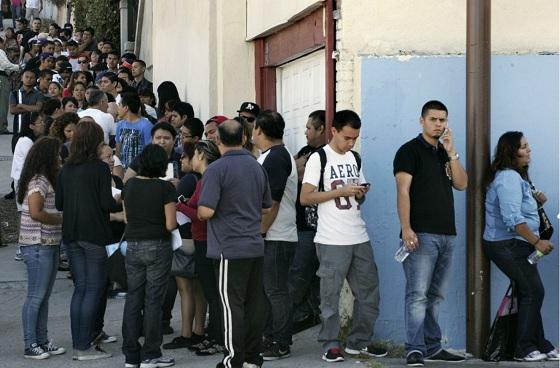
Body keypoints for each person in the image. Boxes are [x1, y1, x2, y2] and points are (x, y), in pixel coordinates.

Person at [300, 110, 387, 363]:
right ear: (334, 131)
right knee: (330, 295)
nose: (351, 143)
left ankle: (359, 342)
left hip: (358, 234)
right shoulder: (319, 158)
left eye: (355, 138)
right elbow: (306, 197)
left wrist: (359, 193)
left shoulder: (355, 158)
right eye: (347, 137)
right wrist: (339, 193)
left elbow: (357, 194)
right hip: (330, 239)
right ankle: (331, 343)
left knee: (369, 292)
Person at [393, 100, 468, 366]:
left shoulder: (443, 153)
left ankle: (433, 347)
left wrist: (452, 152)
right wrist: (406, 228)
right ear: (422, 120)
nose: (439, 124)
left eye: (443, 120)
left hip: (447, 234)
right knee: (418, 294)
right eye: (434, 119)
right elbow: (402, 191)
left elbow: (461, 184)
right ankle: (414, 348)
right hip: (420, 235)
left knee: (436, 295)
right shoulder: (409, 151)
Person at [198, 119, 272, 368]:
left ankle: (233, 360)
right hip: (254, 245)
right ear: (243, 139)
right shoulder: (256, 167)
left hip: (228, 248)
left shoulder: (216, 170)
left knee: (231, 307)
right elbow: (266, 206)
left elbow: (206, 211)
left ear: (217, 140)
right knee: (253, 306)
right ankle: (253, 357)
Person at [483, 131, 559, 362]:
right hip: (505, 243)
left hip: (517, 244)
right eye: (524, 147)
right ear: (511, 151)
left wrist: (537, 202)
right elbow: (512, 218)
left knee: (530, 291)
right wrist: (537, 241)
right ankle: (523, 348)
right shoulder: (508, 178)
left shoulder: (518, 177)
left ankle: (540, 343)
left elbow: (519, 208)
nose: (529, 150)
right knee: (534, 291)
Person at [55, 119, 114, 361]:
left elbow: (59, 204)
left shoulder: (66, 169)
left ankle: (80, 341)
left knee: (80, 288)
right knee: (94, 288)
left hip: (71, 234)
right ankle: (85, 345)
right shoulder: (99, 169)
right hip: (94, 234)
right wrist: (120, 201)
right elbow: (106, 203)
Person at [121, 143, 177, 368]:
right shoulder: (165, 189)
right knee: (153, 300)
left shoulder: (129, 185)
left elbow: (126, 219)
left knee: (133, 298)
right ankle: (151, 353)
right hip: (158, 245)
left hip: (133, 244)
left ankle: (131, 356)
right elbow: (171, 223)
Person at [252, 111, 298, 361]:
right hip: (271, 234)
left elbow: (273, 203)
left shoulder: (276, 157)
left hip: (277, 235)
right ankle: (269, 337)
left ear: (259, 129)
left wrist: (260, 231)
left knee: (276, 290)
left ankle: (280, 342)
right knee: (268, 290)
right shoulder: (270, 156)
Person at [17, 136, 65, 360]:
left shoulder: (44, 179)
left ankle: (42, 341)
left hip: (48, 244)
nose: (59, 158)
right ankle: (31, 344)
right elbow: (37, 212)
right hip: (37, 244)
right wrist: (60, 220)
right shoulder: (38, 182)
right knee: (36, 296)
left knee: (43, 297)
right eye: (56, 154)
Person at [175, 140, 223, 356]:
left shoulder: (208, 179)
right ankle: (213, 336)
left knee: (213, 294)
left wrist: (179, 205)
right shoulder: (205, 179)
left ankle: (218, 338)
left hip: (206, 240)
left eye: (192, 155)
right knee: (209, 290)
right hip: (202, 240)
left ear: (201, 155)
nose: (189, 159)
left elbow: (202, 215)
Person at [162, 142, 207, 351]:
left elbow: (180, 208)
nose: (181, 161)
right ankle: (199, 330)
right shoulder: (204, 179)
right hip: (200, 239)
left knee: (185, 289)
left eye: (184, 157)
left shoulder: (189, 179)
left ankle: (187, 333)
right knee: (199, 289)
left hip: (185, 238)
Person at [289, 110, 325, 333]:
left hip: (312, 228)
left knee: (299, 274)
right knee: (301, 272)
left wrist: (300, 167)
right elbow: (291, 172)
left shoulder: (324, 155)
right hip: (297, 224)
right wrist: (296, 165)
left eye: (309, 128)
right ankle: (305, 314)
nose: (305, 132)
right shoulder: (304, 152)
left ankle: (289, 320)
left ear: (321, 129)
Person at [115, 92, 153, 169]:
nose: (117, 108)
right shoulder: (120, 125)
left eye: (119, 105)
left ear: (126, 108)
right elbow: (118, 148)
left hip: (139, 169)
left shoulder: (146, 125)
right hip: (122, 169)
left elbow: (149, 151)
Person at [0, 35, 21, 134]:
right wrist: (17, 67)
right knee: (3, 103)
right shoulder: (0, 51)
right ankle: (2, 127)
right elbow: (5, 65)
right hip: (1, 78)